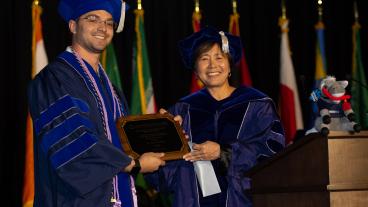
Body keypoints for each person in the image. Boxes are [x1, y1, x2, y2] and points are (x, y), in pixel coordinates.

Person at [27, 0, 166, 206]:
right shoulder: (54, 79)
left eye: (109, 23)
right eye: (93, 19)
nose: (103, 27)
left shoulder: (111, 88)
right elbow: (73, 140)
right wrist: (132, 165)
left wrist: (162, 130)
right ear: (73, 26)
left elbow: (125, 140)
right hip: (74, 199)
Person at [145, 27, 285, 207]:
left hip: (245, 201)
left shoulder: (257, 105)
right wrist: (160, 135)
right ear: (195, 70)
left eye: (219, 57)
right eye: (204, 59)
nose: (212, 65)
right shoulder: (182, 110)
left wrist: (224, 153)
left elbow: (274, 156)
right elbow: (165, 179)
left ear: (229, 66)